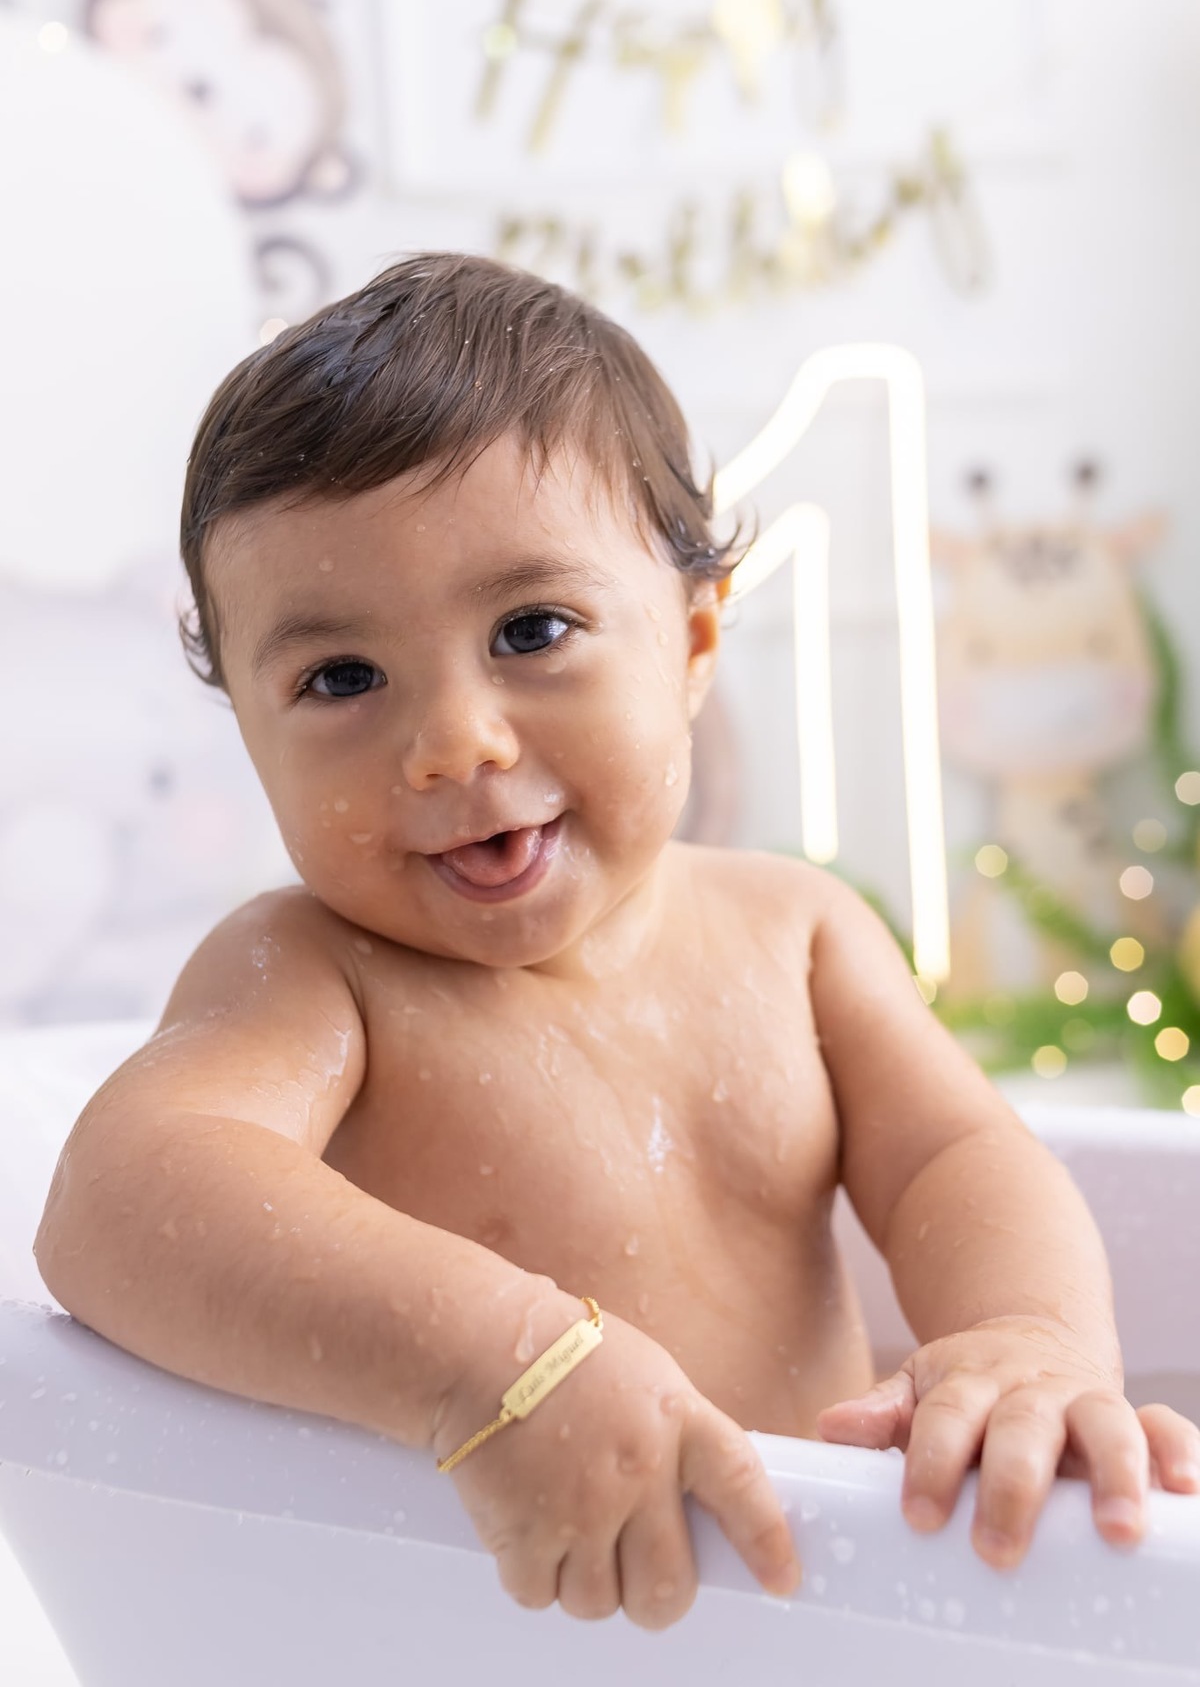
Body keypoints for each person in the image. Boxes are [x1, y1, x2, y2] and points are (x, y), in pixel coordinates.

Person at [35, 253, 1199, 1631]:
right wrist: (495, 1364)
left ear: (695, 640)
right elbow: (123, 1203)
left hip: (846, 1601)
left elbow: (960, 1155)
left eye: (532, 630)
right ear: (246, 727)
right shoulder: (311, 976)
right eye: (340, 677)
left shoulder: (795, 931)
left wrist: (1027, 1343)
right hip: (500, 1626)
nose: (455, 739)